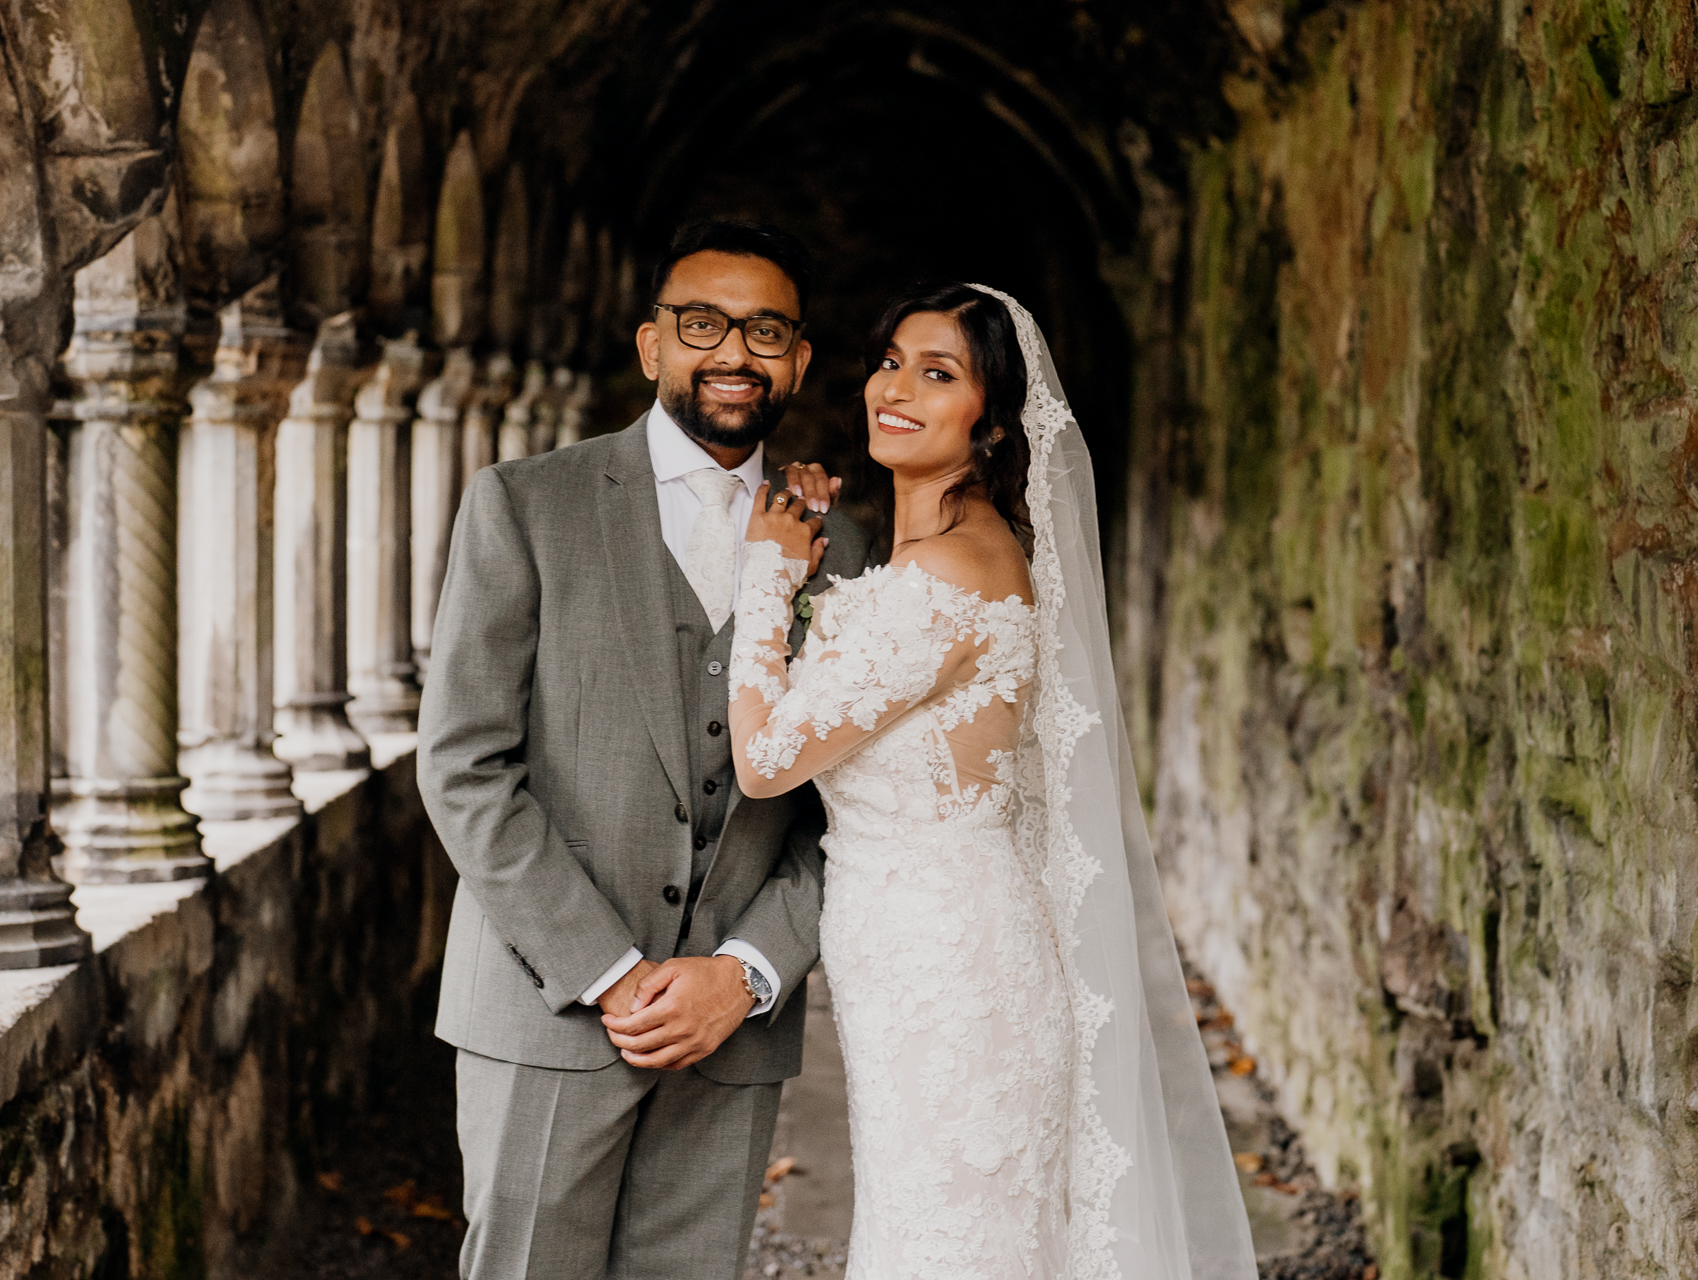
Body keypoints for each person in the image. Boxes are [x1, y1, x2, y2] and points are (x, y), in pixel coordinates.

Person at [727, 283, 1259, 1279]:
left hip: (952, 970)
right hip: (916, 955)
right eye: (891, 360)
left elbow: (764, 762)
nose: (898, 387)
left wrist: (766, 575)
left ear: (996, 422)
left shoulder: (952, 576)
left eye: (940, 373)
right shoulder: (941, 556)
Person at [417, 219, 872, 1280]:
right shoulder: (527, 504)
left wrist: (748, 971)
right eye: (702, 322)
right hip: (548, 1009)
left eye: (765, 330)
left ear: (799, 360)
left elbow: (857, 810)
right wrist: (610, 971)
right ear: (650, 344)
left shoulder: (844, 549)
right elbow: (465, 764)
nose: (733, 352)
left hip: (732, 1030)